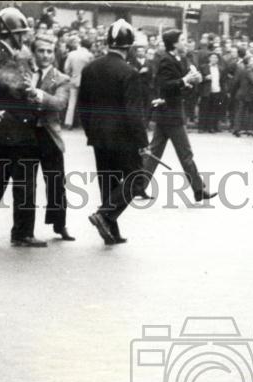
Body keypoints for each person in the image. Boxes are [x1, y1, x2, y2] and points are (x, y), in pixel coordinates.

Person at [0, 7, 48, 248]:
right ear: (8, 32)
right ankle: (22, 232)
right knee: (24, 180)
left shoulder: (10, 51)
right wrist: (18, 89)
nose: (23, 37)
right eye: (19, 33)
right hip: (15, 123)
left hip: (10, 123)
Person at [79, 20, 149, 245]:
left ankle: (111, 229)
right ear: (128, 47)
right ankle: (105, 214)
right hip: (123, 137)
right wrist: (142, 141)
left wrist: (91, 131)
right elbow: (133, 112)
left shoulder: (90, 68)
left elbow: (84, 106)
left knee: (108, 182)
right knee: (137, 179)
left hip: (98, 136)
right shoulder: (130, 72)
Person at [142, 29, 216, 203]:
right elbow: (164, 85)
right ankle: (198, 190)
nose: (186, 42)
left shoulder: (179, 59)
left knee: (154, 153)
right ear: (174, 43)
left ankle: (137, 185)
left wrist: (191, 82)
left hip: (167, 113)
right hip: (172, 114)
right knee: (185, 154)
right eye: (182, 39)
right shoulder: (166, 60)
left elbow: (179, 86)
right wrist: (185, 80)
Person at [27, 33, 74, 242]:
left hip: (48, 134)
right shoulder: (26, 73)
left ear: (54, 54)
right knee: (23, 183)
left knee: (55, 181)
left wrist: (38, 94)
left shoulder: (62, 78)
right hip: (25, 133)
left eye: (49, 52)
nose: (45, 55)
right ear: (34, 52)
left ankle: (59, 224)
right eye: (41, 51)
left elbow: (59, 103)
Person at [62, 34, 92, 128]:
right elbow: (92, 70)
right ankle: (85, 123)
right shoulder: (89, 55)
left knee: (72, 102)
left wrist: (71, 74)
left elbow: (66, 68)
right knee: (86, 102)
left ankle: (68, 122)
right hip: (85, 81)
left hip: (74, 79)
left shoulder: (72, 54)